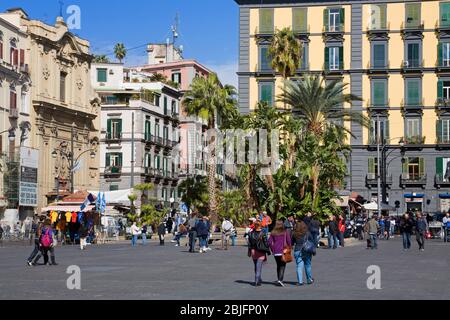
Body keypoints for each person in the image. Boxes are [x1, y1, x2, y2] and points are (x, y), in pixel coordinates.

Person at [268, 221, 291, 287]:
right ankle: (280, 280)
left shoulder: (273, 232)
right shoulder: (285, 232)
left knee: (278, 265)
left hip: (275, 251)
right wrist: (289, 248)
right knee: (282, 265)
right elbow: (289, 241)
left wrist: (272, 248)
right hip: (283, 251)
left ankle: (279, 279)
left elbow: (269, 242)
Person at [292, 221, 315, 286]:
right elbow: (312, 241)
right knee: (308, 265)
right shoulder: (307, 233)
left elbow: (292, 243)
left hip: (298, 250)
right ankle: (309, 279)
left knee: (299, 265)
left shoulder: (294, 233)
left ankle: (300, 281)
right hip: (306, 250)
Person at [247, 221, 270, 287]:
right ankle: (257, 280)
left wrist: (249, 251)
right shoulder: (263, 233)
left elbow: (249, 244)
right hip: (261, 251)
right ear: (260, 225)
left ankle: (259, 278)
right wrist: (268, 250)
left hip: (253, 251)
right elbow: (266, 243)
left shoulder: (250, 233)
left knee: (256, 266)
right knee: (259, 266)